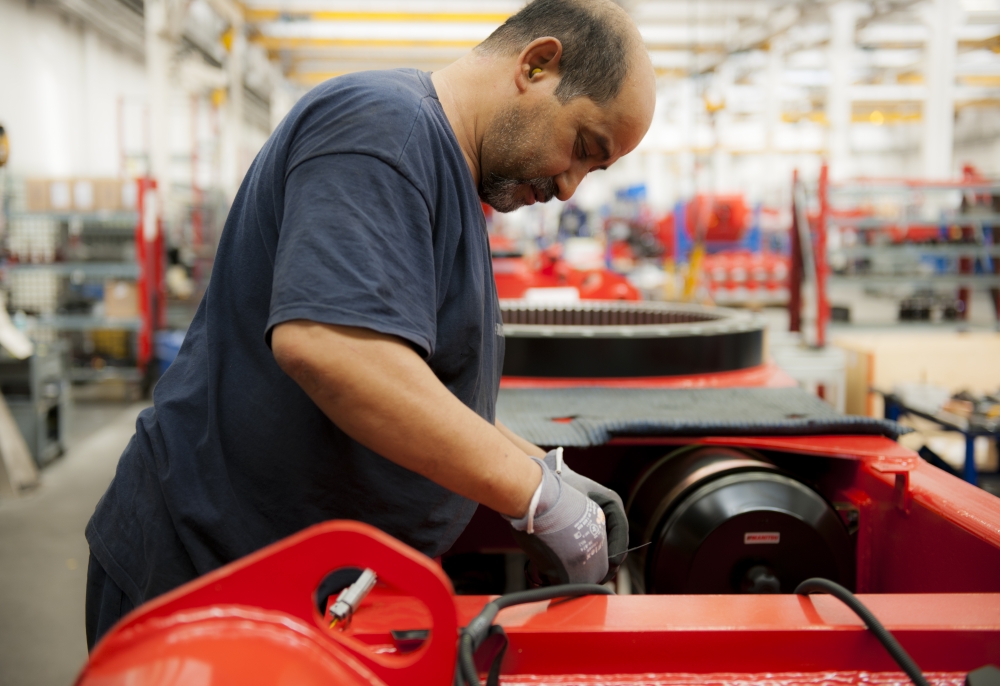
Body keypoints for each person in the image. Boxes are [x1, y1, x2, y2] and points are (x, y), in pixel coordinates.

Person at [85, 0, 656, 649]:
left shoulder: (442, 171)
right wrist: (536, 497)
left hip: (289, 588)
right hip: (204, 578)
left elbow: (417, 383)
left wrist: (541, 468)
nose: (571, 187)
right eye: (583, 147)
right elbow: (333, 349)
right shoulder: (385, 127)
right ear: (538, 65)